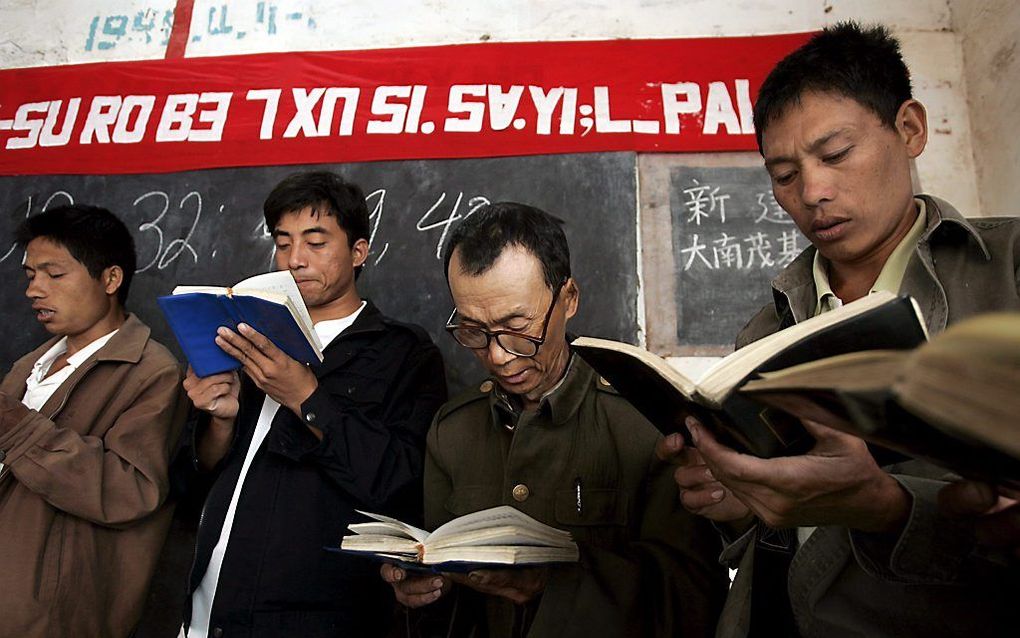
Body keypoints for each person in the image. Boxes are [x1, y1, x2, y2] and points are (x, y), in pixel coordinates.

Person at [656, 22, 1020, 637]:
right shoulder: (767, 331)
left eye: (835, 154)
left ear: (909, 129)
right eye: (784, 174)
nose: (814, 193)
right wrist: (738, 501)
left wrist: (890, 508)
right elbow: (774, 535)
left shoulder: (1008, 271)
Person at [382, 202, 728, 638]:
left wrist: (549, 582)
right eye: (472, 330)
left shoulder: (646, 422)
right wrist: (422, 590)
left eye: (517, 327)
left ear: (568, 299)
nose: (497, 355)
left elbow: (693, 596)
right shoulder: (452, 432)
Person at [180, 171, 447, 637]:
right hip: (208, 607)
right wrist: (218, 423)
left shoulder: (402, 352)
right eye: (283, 244)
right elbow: (188, 490)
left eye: (316, 242)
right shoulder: (246, 336)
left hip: (317, 618)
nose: (295, 260)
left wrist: (306, 396)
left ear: (359, 252)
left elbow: (405, 484)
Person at [0, 204, 188, 637]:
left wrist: (16, 424)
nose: (34, 290)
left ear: (110, 279)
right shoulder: (29, 366)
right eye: (30, 275)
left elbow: (129, 490)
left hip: (54, 618)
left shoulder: (151, 371)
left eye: (54, 274)